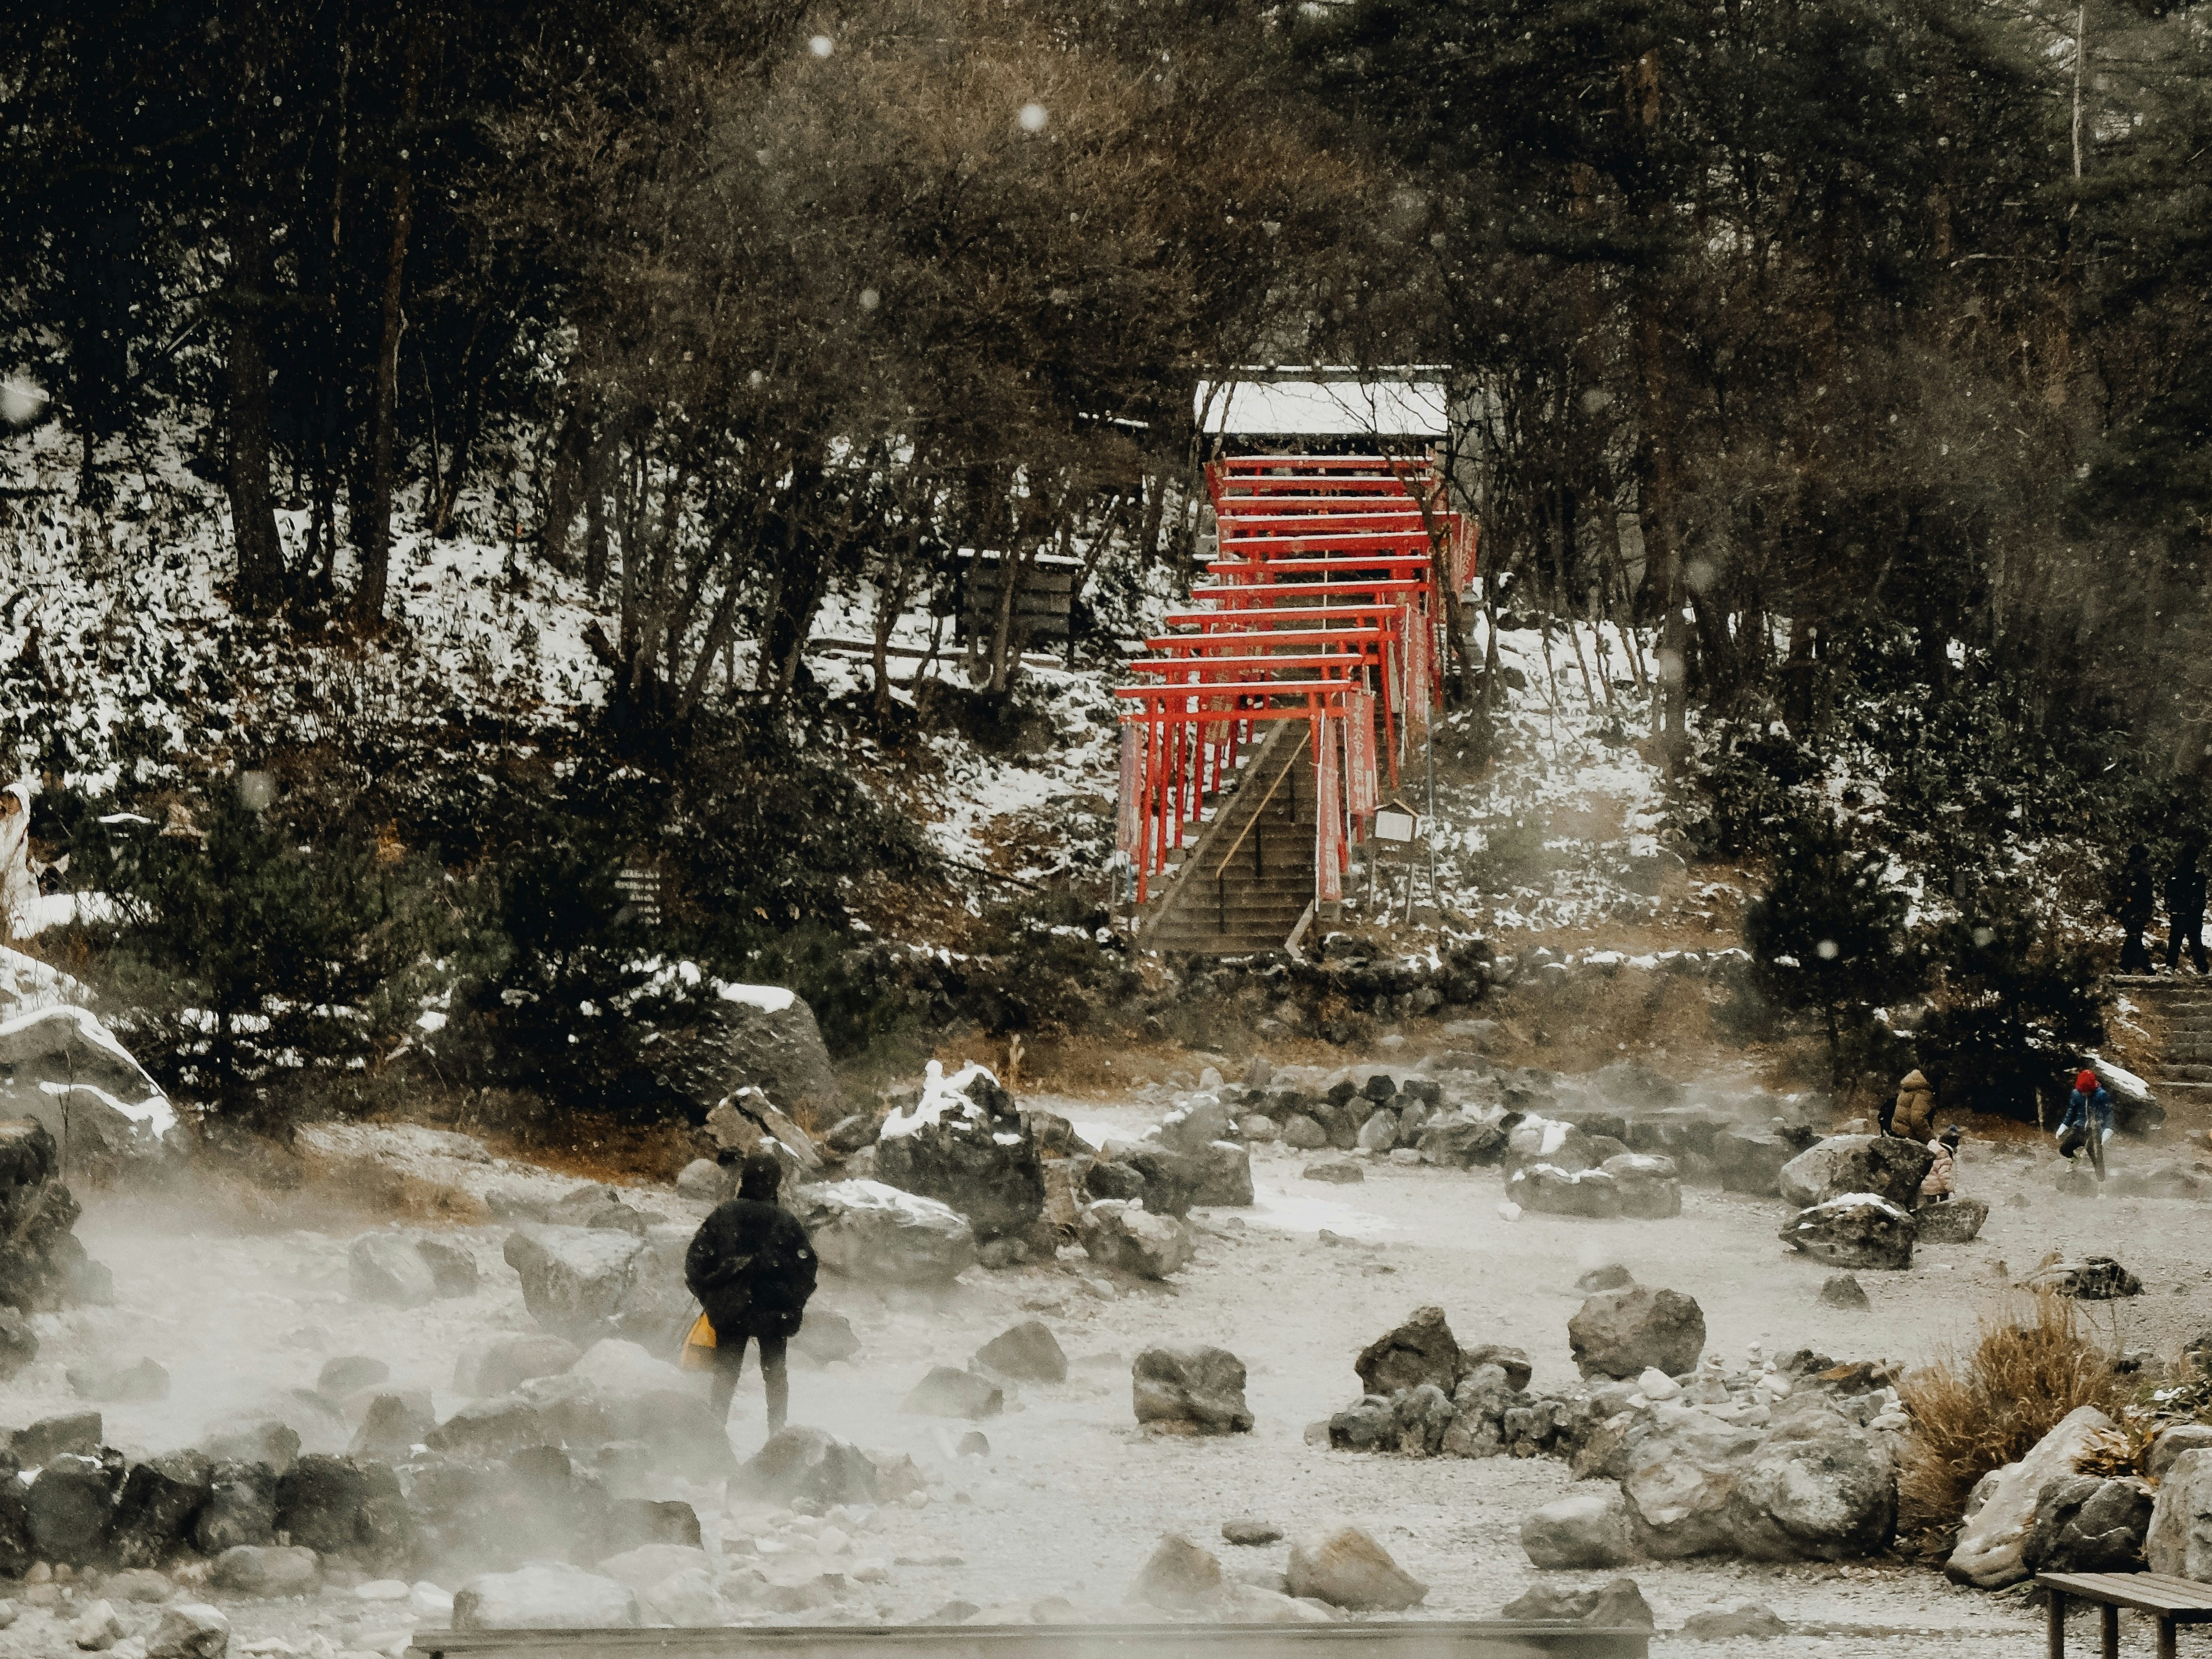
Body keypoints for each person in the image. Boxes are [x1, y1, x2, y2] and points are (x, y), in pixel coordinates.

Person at [683, 1151, 817, 1436]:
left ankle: (715, 1436)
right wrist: (792, 1304)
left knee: (725, 1376)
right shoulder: (786, 1222)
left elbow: (695, 1262)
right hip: (773, 1312)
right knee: (776, 1374)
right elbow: (807, 1268)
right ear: (776, 1184)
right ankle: (778, 1435)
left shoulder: (724, 1216)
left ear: (744, 1179)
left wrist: (711, 1299)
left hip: (732, 1311)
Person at [2057, 1069, 2111, 1182]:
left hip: (2095, 1131)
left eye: (2087, 1091)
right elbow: (2072, 1111)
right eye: (2082, 1091)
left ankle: (2102, 1184)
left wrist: (2108, 1129)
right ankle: (2075, 1158)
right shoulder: (2076, 1094)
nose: (2085, 1094)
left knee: (2097, 1157)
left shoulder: (2101, 1095)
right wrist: (2065, 1124)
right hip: (2079, 1129)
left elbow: (2108, 1114)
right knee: (2064, 1149)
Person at [2169, 840, 2209, 974]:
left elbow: (2200, 897)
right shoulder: (2179, 874)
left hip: (2188, 914)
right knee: (2188, 941)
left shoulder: (2195, 876)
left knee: (2187, 941)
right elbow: (2169, 893)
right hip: (2183, 913)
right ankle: (2200, 967)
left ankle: (2201, 967)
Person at [2118, 843, 2156, 973]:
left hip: (2136, 908)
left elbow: (2145, 893)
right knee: (2135, 936)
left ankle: (2129, 964)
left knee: (2135, 936)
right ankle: (2139, 965)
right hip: (2133, 908)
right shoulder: (2135, 871)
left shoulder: (2137, 871)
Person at [1920, 1125, 1962, 1205]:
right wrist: (1950, 1189)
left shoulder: (1934, 1149)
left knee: (1929, 1205)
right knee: (1943, 1204)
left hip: (1927, 1185)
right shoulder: (1945, 1156)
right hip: (1936, 1186)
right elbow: (1944, 1175)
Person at [1890, 1069, 1936, 1141]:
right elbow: (1917, 1120)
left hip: (1897, 1131)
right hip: (1910, 1136)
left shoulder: (1911, 1086)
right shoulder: (1924, 1092)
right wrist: (1931, 1139)